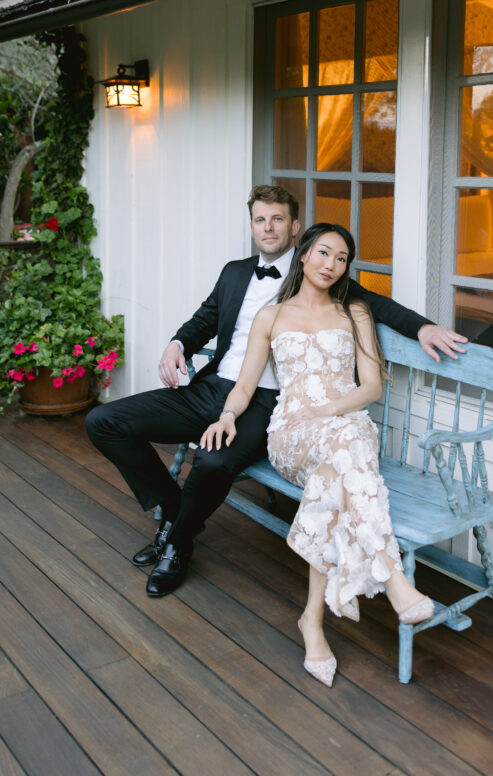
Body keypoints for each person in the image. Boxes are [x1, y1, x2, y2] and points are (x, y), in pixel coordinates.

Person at [86, 184, 466, 598]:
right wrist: (178, 344)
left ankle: (176, 543)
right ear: (252, 226)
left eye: (278, 219)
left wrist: (423, 327)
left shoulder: (318, 271)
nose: (268, 228)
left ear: (295, 229)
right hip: (214, 387)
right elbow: (204, 319)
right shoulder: (235, 272)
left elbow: (378, 306)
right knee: (105, 422)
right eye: (260, 220)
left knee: (212, 463)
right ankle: (175, 512)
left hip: (266, 403)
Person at [200, 223, 435, 687]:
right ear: (303, 255)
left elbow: (369, 388)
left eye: (342, 258)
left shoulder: (356, 313)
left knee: (337, 467)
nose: (332, 264)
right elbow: (246, 384)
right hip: (292, 433)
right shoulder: (271, 316)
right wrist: (228, 415)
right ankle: (394, 581)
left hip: (346, 422)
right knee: (343, 459)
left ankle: (313, 620)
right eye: (324, 253)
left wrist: (327, 409)